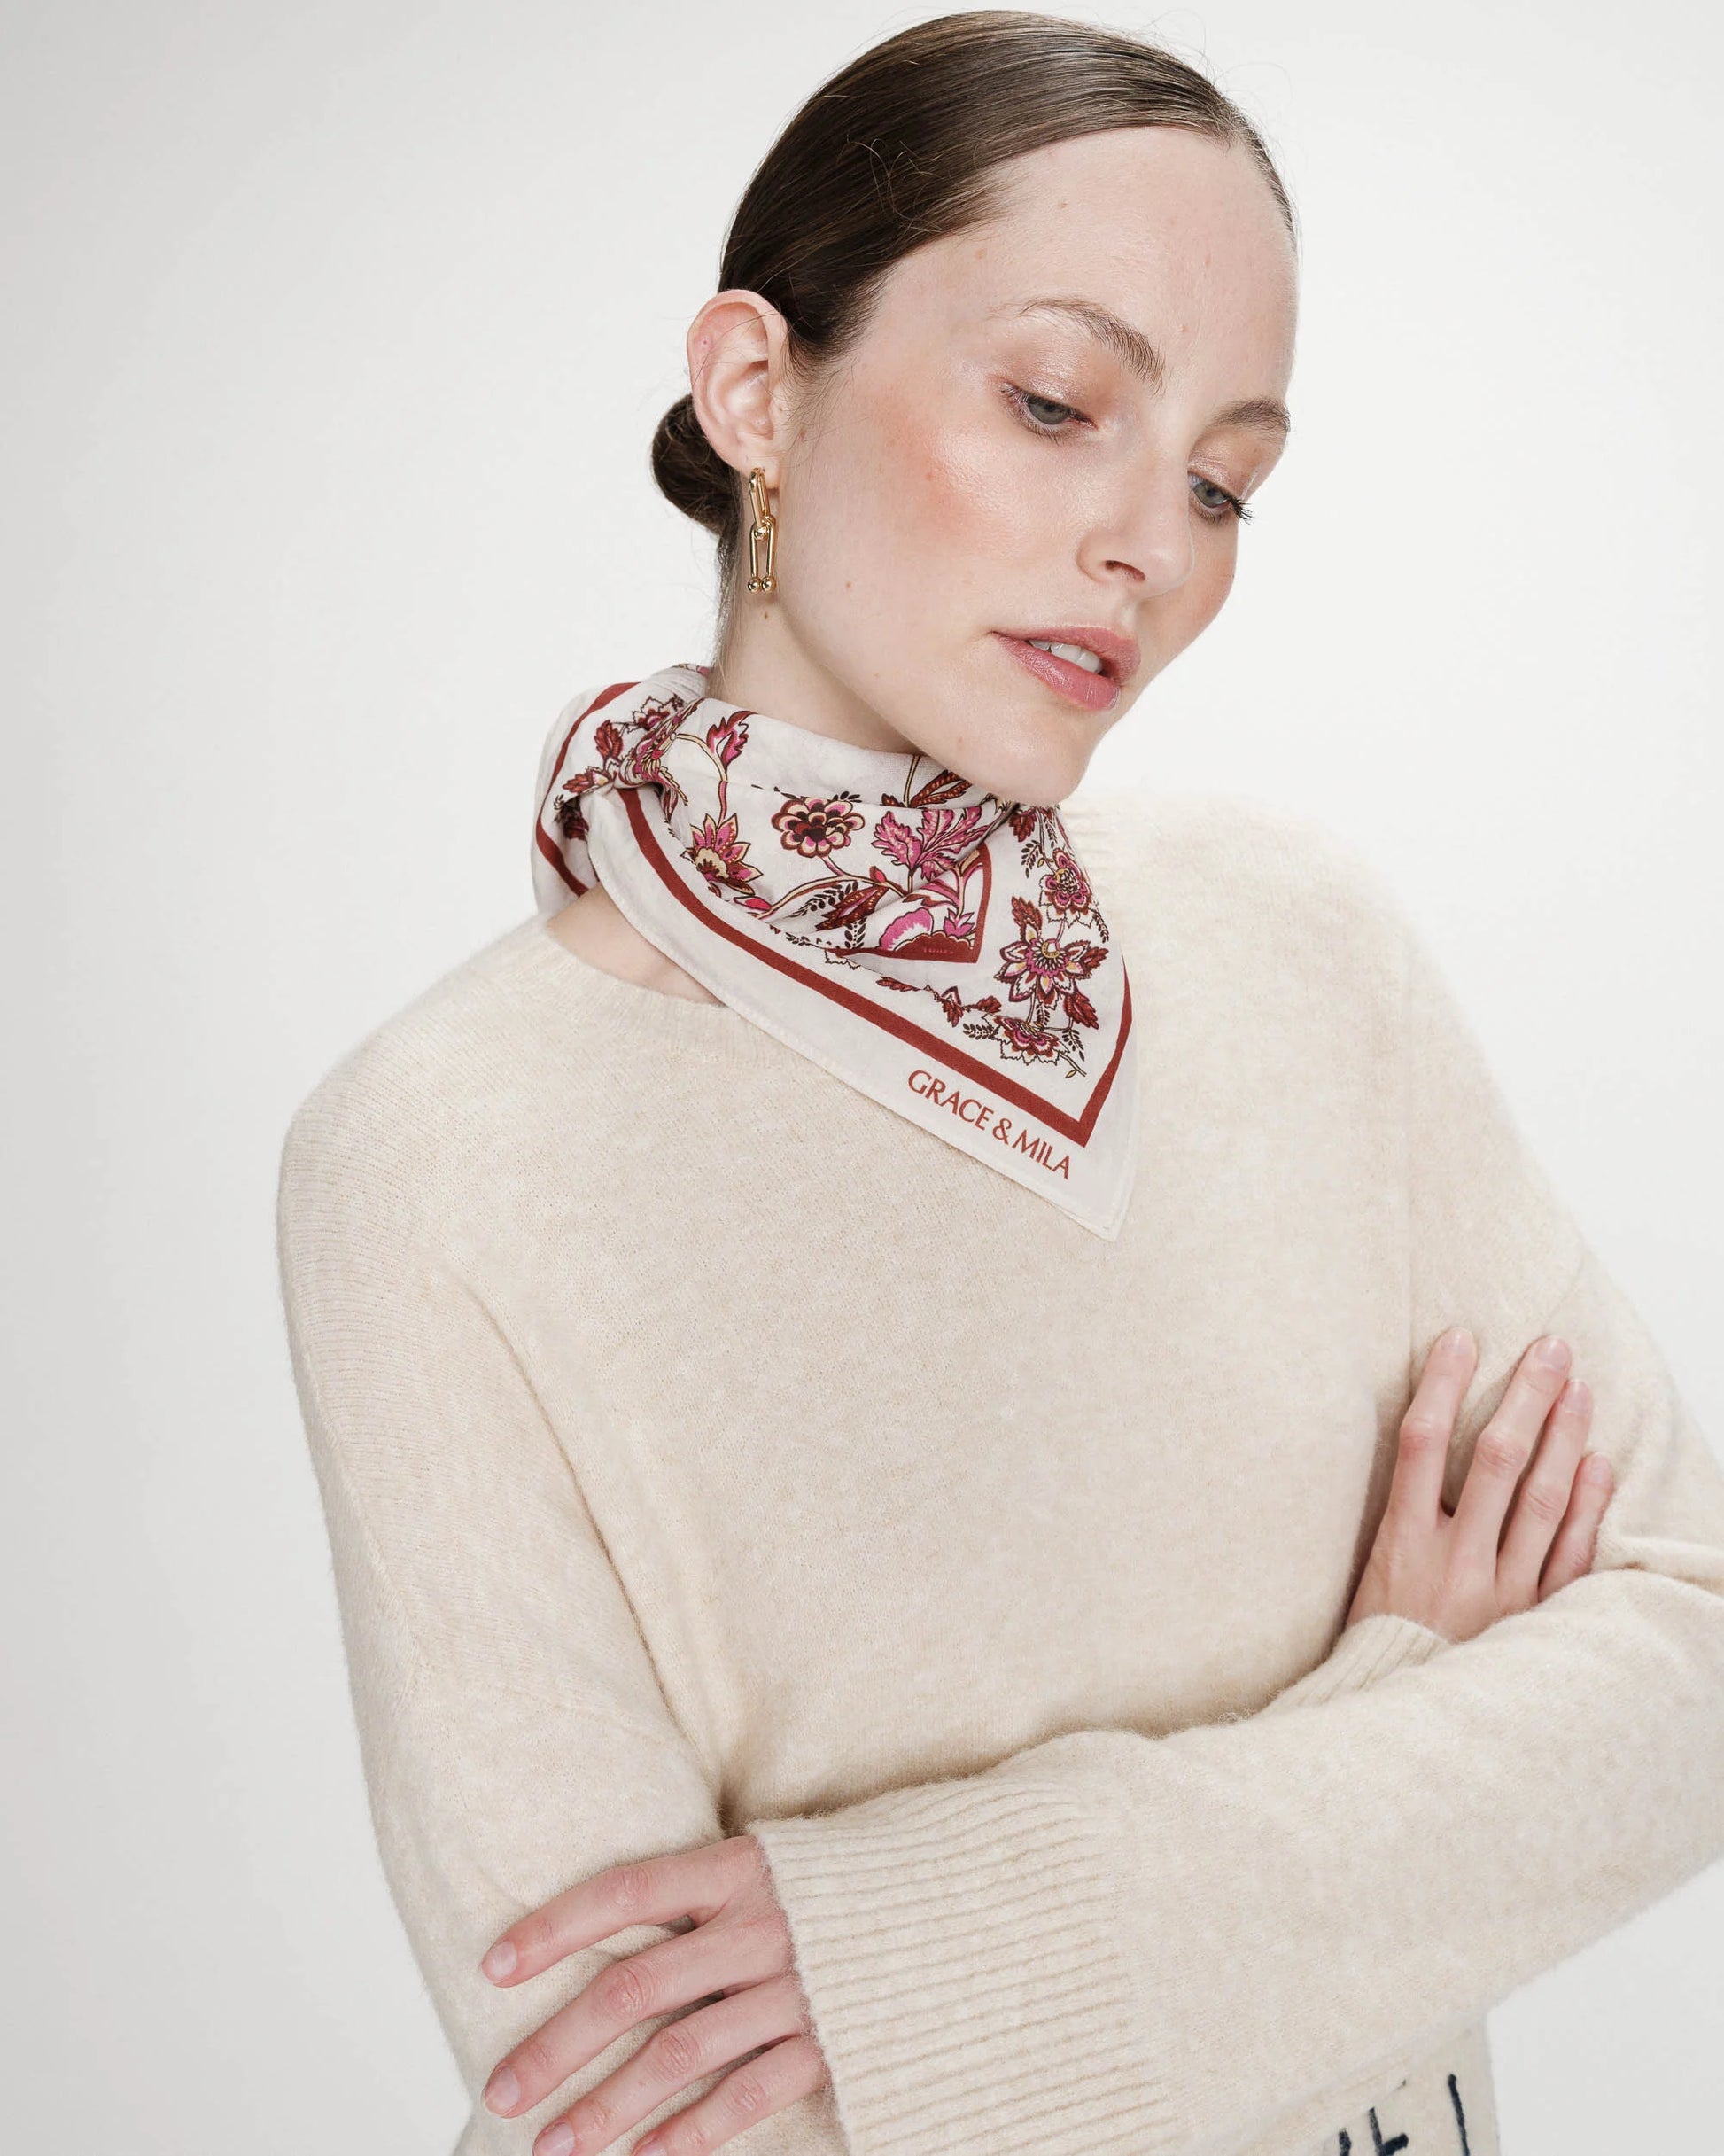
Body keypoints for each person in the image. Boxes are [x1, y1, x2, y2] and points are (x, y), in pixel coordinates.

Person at [274, 14, 1724, 2156]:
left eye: (1223, 478)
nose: (1156, 545)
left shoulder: (1299, 947)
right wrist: (1404, 1729)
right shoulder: (441, 1155)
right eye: (1056, 404)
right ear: (755, 389)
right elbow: (641, 2100)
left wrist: (943, 1966)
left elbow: (1691, 1642)